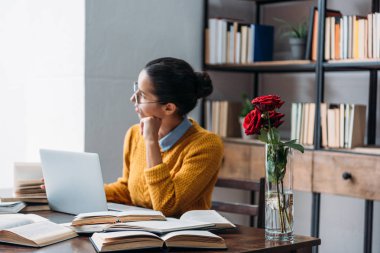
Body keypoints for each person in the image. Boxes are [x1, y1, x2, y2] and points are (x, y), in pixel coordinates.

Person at [103, 57, 223, 217]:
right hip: (141, 231)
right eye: (135, 88)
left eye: (142, 96)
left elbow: (167, 206)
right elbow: (126, 190)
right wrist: (81, 192)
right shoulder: (133, 134)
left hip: (184, 236)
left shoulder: (206, 145)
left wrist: (151, 141)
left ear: (168, 108)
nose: (133, 99)